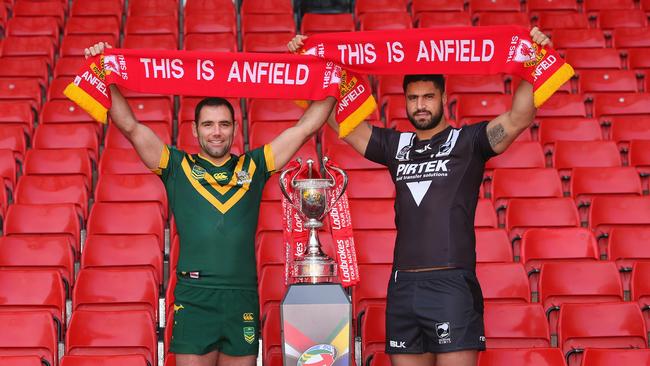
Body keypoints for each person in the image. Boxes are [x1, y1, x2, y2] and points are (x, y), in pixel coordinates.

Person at [288, 27, 551, 366]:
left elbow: (518, 118)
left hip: (452, 284)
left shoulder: (468, 143)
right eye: (413, 98)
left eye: (428, 97)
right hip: (403, 287)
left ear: (443, 99)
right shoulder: (396, 146)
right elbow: (343, 125)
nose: (420, 105)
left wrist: (533, 62)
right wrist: (307, 68)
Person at [84, 42, 336, 366]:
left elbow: (305, 128)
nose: (216, 132)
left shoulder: (255, 166)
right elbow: (131, 127)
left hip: (242, 296)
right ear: (195, 129)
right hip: (194, 296)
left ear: (235, 128)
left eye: (224, 124)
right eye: (208, 124)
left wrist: (330, 75)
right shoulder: (176, 166)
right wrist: (104, 72)